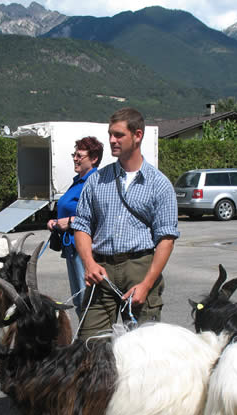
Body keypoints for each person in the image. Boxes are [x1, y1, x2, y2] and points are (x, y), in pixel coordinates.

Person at [73, 108, 179, 340]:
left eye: (119, 135)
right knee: (89, 348)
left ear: (137, 135)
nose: (112, 140)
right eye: (110, 134)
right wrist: (88, 263)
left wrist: (147, 283)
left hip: (140, 268)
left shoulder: (159, 184)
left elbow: (166, 239)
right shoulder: (97, 180)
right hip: (102, 270)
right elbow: (81, 226)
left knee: (145, 351)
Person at [46, 136, 104, 318]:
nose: (75, 158)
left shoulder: (94, 181)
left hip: (84, 246)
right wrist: (55, 221)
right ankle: (83, 338)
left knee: (85, 297)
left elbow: (98, 214)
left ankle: (89, 339)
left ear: (94, 159)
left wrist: (70, 221)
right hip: (71, 245)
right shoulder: (78, 180)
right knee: (79, 298)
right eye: (74, 154)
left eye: (80, 155)